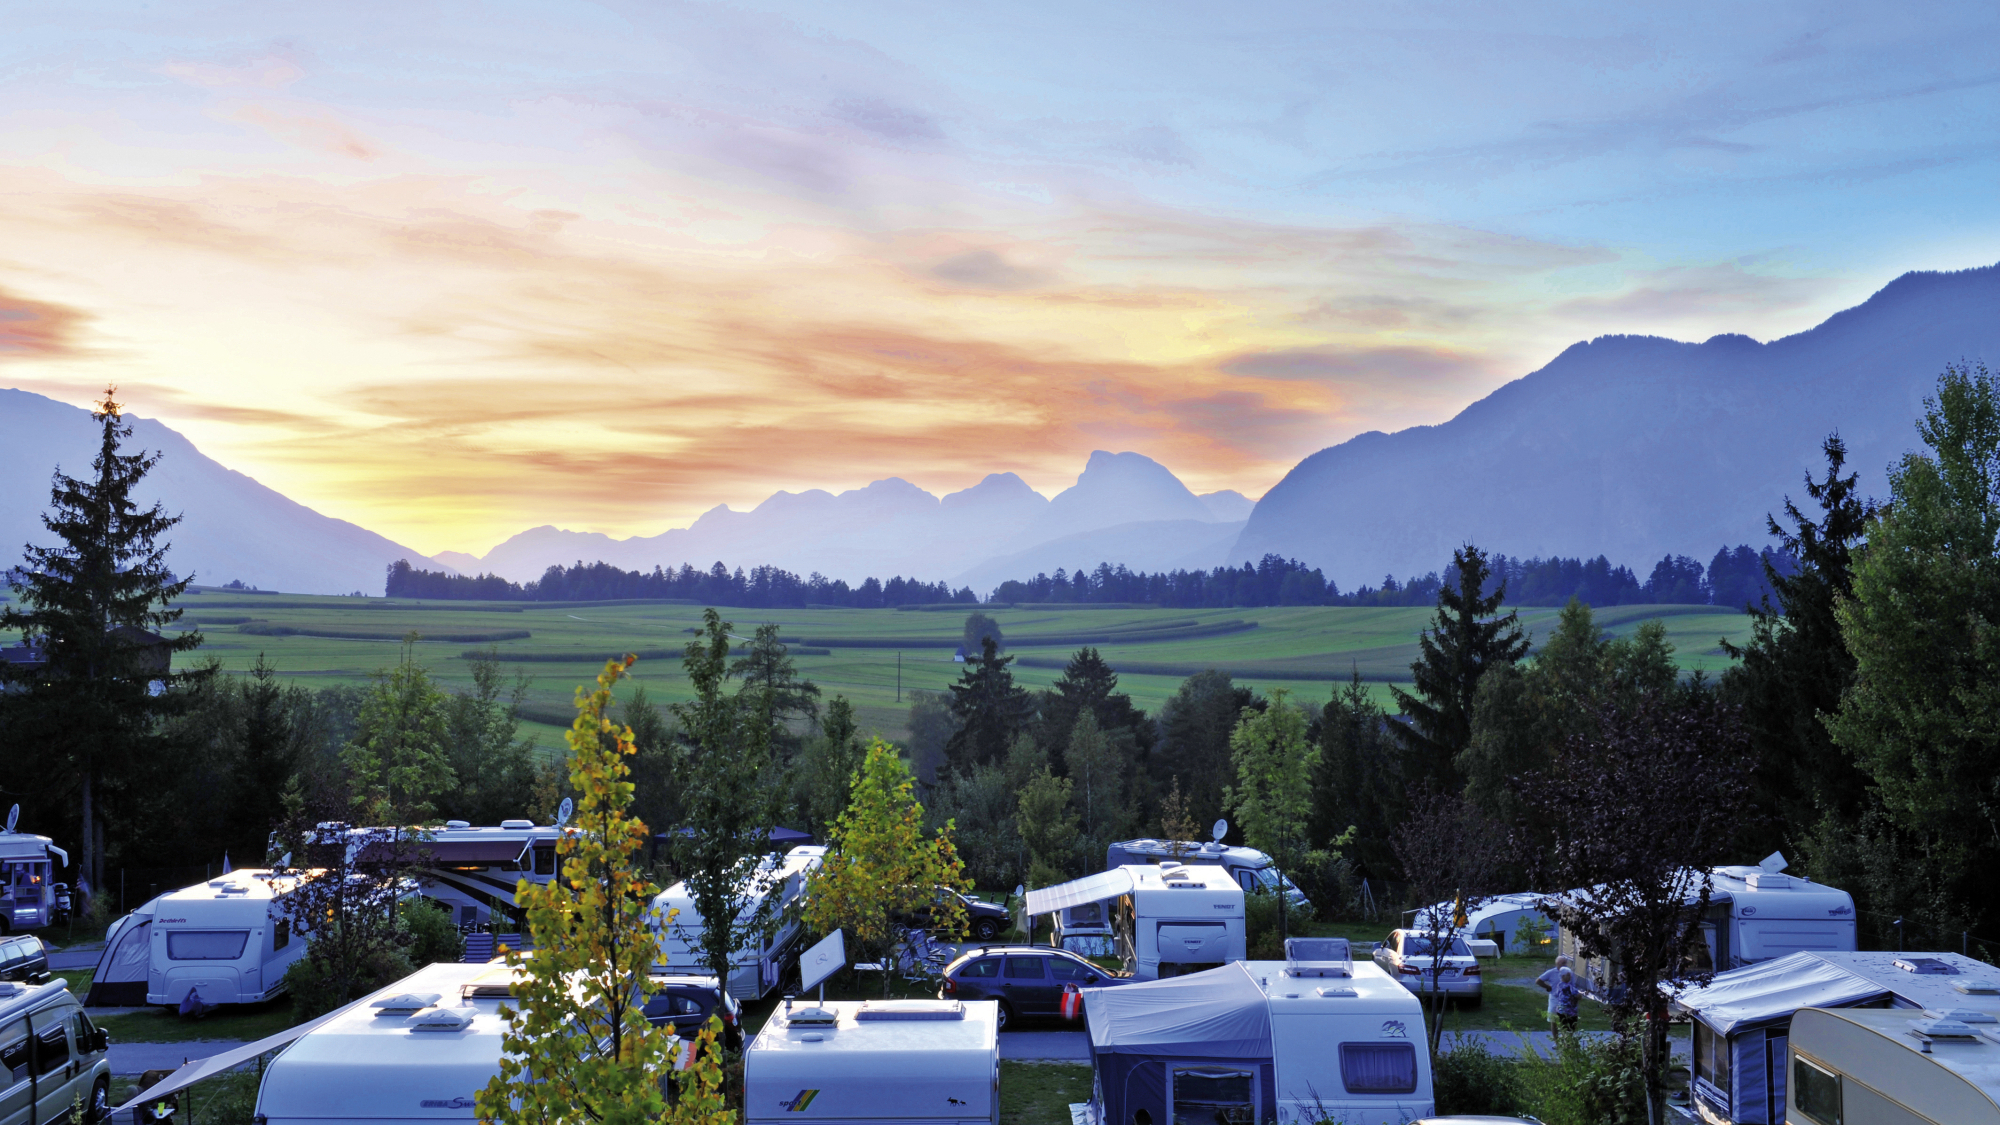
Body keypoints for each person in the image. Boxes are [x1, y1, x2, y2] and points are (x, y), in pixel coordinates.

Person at [1536, 954, 1580, 1032]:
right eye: (1563, 963)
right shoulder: (1551, 972)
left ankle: (1566, 1037)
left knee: (1567, 1020)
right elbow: (1538, 981)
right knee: (1553, 1019)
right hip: (1555, 998)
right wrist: (1548, 987)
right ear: (1557, 963)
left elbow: (1573, 985)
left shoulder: (1569, 972)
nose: (1565, 964)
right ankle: (1556, 1039)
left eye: (1565, 963)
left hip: (1566, 1000)